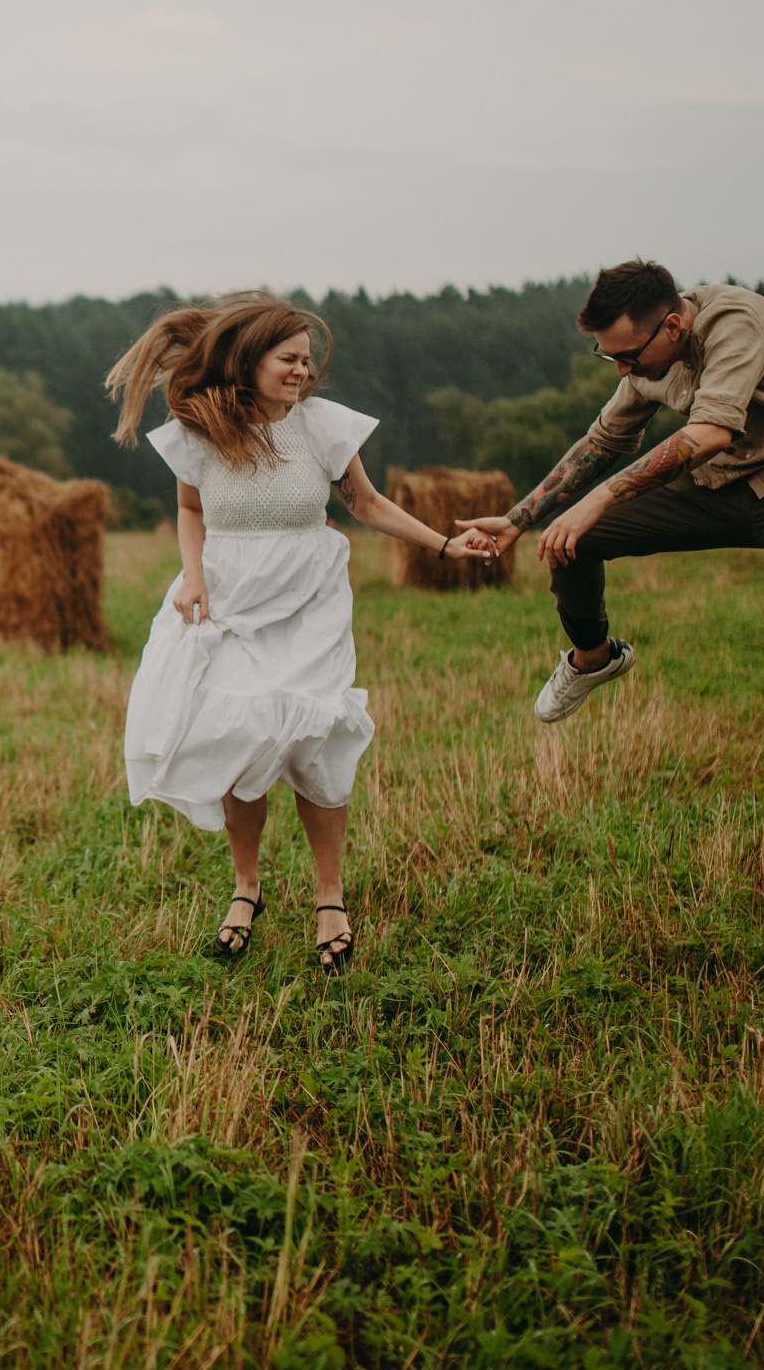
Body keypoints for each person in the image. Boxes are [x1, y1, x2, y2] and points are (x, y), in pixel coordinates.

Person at [107, 293, 496, 968]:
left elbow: (367, 504)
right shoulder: (202, 431)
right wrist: (191, 576)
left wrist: (441, 545)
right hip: (229, 598)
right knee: (239, 736)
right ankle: (246, 885)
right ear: (250, 360)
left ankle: (329, 894)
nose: (302, 371)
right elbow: (190, 509)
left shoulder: (321, 427)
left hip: (309, 600)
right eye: (288, 359)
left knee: (315, 739)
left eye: (307, 361)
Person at [454, 260, 764, 843]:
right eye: (610, 358)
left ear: (674, 326)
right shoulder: (645, 361)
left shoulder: (736, 323)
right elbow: (602, 442)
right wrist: (518, 519)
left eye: (628, 356)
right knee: (577, 539)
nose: (622, 369)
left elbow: (709, 434)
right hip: (727, 485)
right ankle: (594, 656)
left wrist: (601, 498)